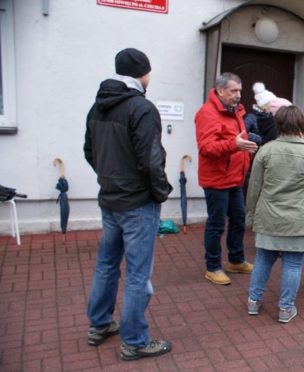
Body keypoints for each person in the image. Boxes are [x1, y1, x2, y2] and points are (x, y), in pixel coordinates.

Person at [83, 48, 173, 361]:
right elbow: (152, 160)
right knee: (137, 274)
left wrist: (110, 179)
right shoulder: (142, 108)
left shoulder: (98, 107)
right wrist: (160, 192)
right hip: (137, 204)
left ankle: (99, 325)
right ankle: (134, 341)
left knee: (107, 265)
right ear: (142, 73)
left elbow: (89, 152)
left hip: (110, 200)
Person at [245, 106, 304, 323]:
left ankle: (253, 302)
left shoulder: (266, 150)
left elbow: (254, 187)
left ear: (278, 124)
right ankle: (285, 308)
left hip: (269, 215)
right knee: (293, 264)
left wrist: (251, 215)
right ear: (301, 125)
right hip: (299, 218)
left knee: (263, 259)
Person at [195, 72, 258, 286]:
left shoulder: (236, 111)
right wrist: (235, 145)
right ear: (220, 91)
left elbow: (237, 139)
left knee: (239, 220)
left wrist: (247, 145)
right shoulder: (207, 113)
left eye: (240, 91)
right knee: (216, 224)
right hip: (216, 180)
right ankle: (213, 267)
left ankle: (236, 260)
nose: (239, 95)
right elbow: (206, 148)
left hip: (235, 179)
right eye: (234, 91)